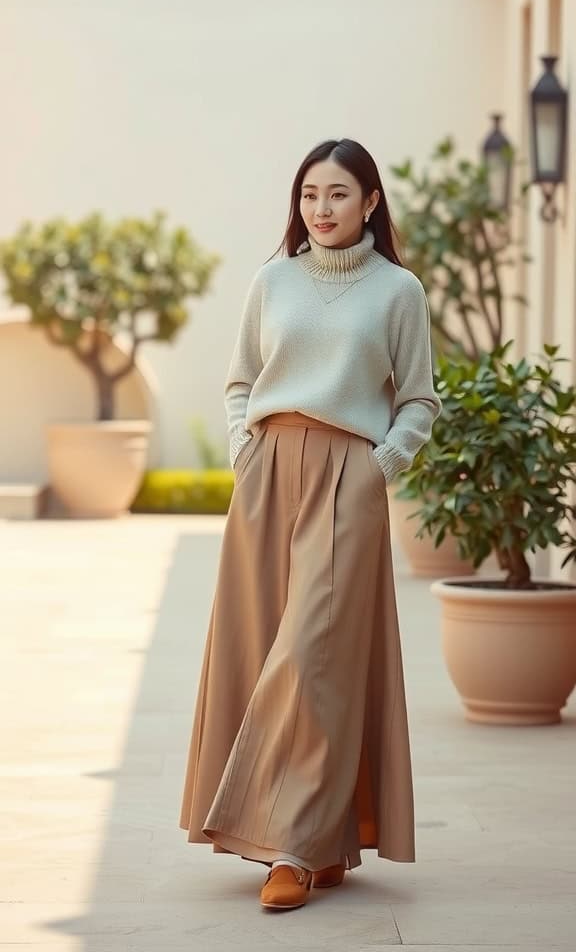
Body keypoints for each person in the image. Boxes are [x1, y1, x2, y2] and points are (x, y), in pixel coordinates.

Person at [179, 137, 442, 911]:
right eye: (308, 196)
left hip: (346, 478)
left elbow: (420, 399)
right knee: (263, 649)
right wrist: (243, 450)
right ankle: (323, 838)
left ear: (370, 203)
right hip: (267, 474)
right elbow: (239, 380)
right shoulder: (274, 280)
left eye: (336, 195)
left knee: (312, 657)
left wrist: (379, 467)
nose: (320, 210)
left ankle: (289, 847)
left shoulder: (399, 292)